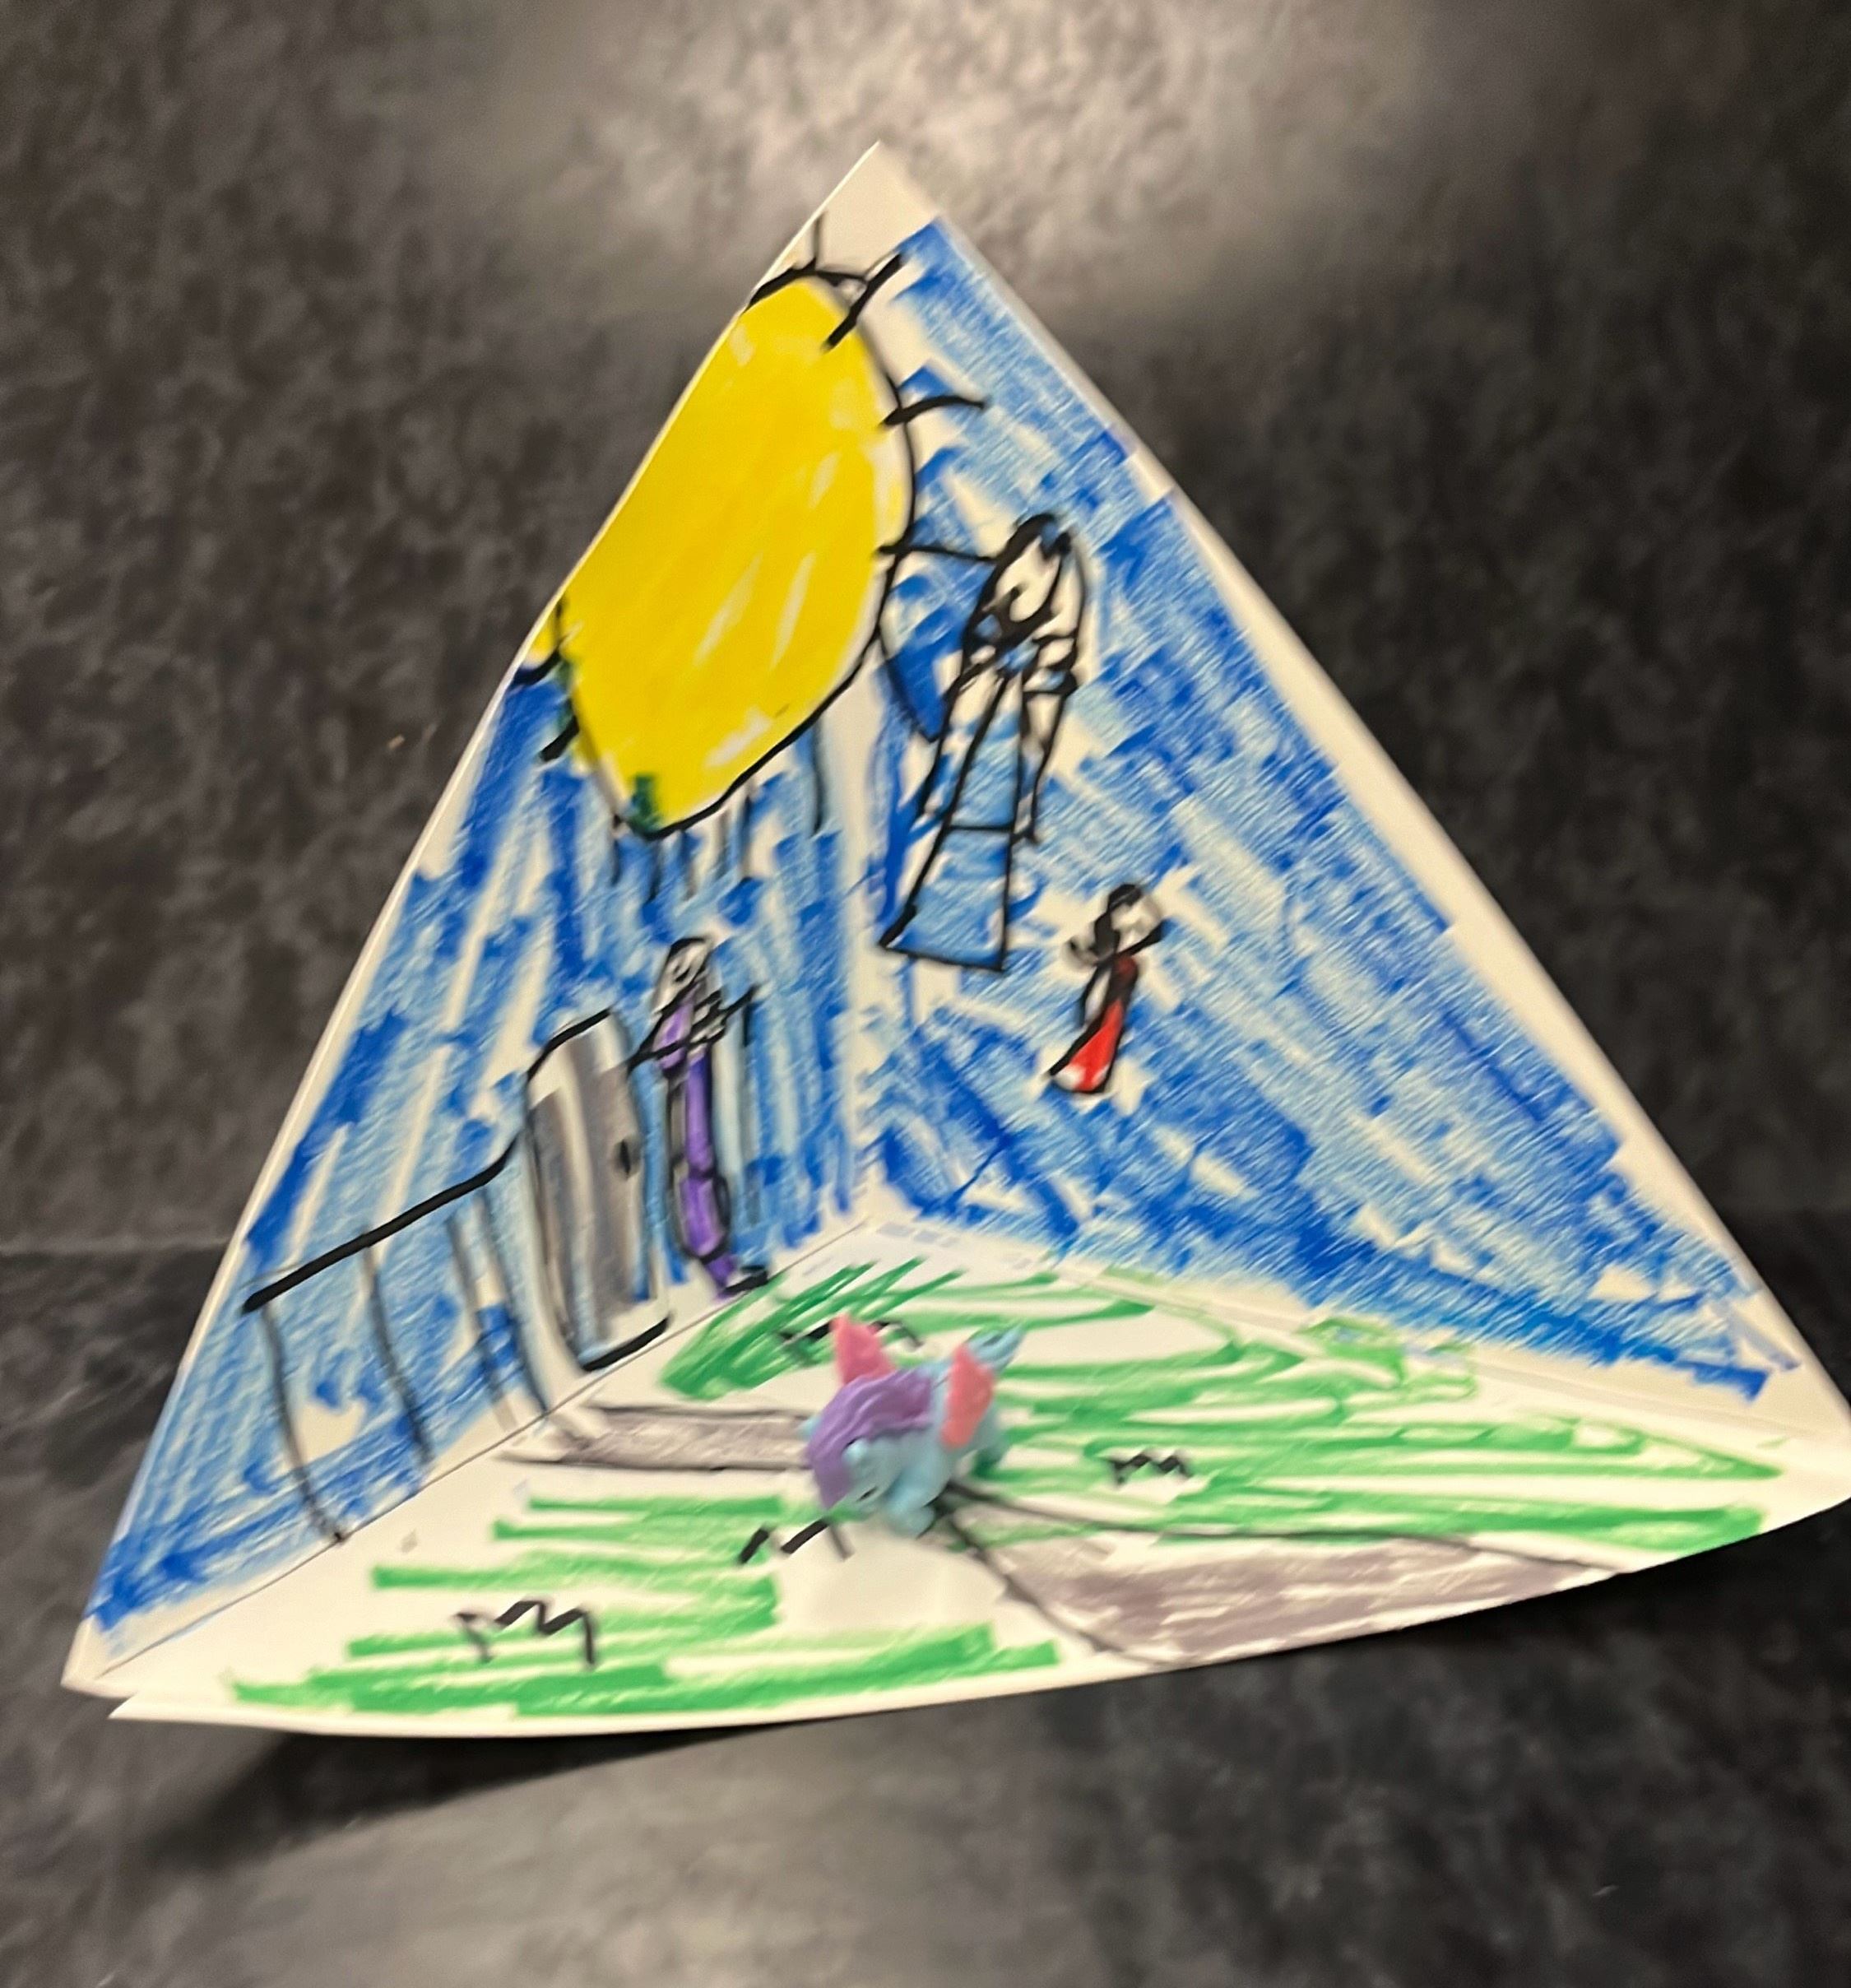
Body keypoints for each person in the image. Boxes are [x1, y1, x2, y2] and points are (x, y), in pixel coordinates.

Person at [632, 938, 765, 1294]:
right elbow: (668, 1055)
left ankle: (724, 1264)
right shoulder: (673, 1010)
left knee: (706, 1168)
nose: (706, 977)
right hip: (686, 1094)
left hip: (700, 1082)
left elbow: (708, 1028)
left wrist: (712, 1024)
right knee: (696, 1170)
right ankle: (719, 1268)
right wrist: (694, 1037)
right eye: (700, 970)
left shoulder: (698, 996)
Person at [1047, 885, 1164, 1096]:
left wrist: (1138, 898)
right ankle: (1067, 1071)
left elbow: (1153, 935)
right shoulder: (1108, 953)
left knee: (1104, 1033)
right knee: (1106, 1034)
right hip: (1117, 994)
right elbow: (1091, 988)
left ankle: (1063, 1070)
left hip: (1117, 993)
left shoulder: (1108, 947)